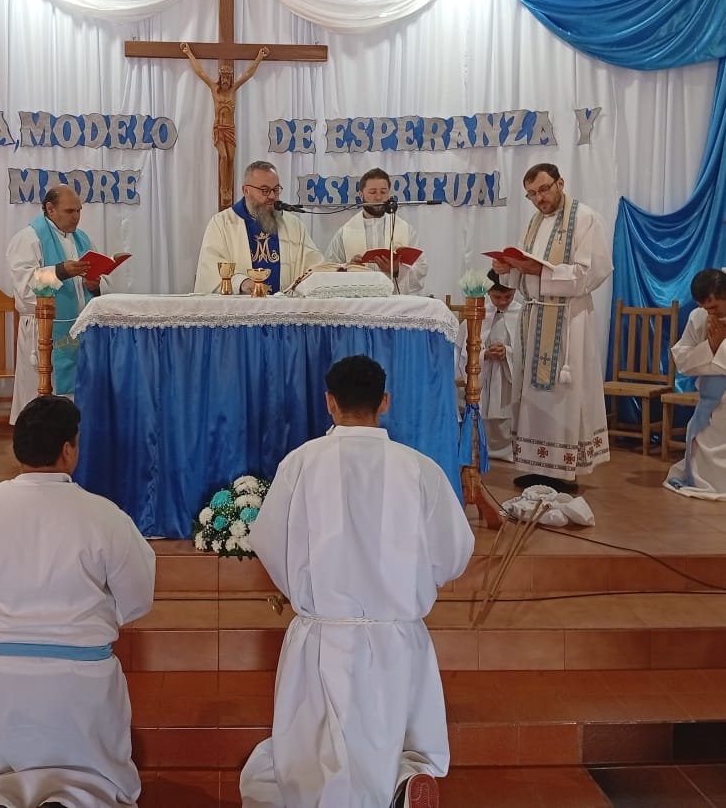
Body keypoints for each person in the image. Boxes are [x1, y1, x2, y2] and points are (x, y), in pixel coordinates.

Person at [239, 355, 474, 808]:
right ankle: (406, 782)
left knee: (315, 754)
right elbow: (454, 554)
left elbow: (269, 541)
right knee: (400, 734)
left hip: (324, 634)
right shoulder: (420, 468)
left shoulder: (302, 463)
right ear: (384, 402)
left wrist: (304, 591)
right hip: (398, 634)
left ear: (329, 402)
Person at [0, 395, 155, 808]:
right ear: (69, 450)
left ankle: (0, 798)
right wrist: (98, 620)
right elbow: (137, 598)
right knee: (95, 785)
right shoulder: (104, 516)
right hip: (81, 680)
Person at [491, 163, 612, 490]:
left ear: (560, 182)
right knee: (532, 396)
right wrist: (506, 269)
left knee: (564, 395)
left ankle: (563, 470)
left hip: (568, 320)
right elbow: (521, 277)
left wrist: (542, 271)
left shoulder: (584, 218)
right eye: (531, 194)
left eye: (544, 189)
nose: (539, 198)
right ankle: (537, 464)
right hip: (535, 316)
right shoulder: (533, 224)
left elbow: (593, 272)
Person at [7, 185, 102, 422]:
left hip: (78, 328)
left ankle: (71, 441)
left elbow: (98, 280)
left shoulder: (82, 239)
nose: (76, 217)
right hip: (44, 331)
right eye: (70, 211)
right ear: (50, 209)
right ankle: (39, 445)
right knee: (41, 400)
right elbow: (26, 286)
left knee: (76, 399)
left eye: (79, 211)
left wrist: (94, 285)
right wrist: (61, 271)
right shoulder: (28, 238)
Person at [194, 160, 323, 294]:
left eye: (276, 189)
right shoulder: (222, 224)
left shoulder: (294, 226)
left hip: (285, 311)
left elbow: (314, 268)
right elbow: (210, 273)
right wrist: (242, 283)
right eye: (265, 190)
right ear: (246, 191)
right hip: (240, 311)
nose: (272, 196)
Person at [180, 42, 270, 207]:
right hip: (219, 129)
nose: (227, 80)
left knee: (231, 158)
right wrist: (189, 53)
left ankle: (228, 186)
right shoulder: (215, 89)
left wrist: (259, 57)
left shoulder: (233, 89)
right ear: (221, 78)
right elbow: (200, 72)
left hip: (230, 129)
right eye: (225, 77)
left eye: (229, 78)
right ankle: (224, 189)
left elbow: (248, 74)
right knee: (223, 156)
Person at [663, 268, 726, 500]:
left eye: (714, 307)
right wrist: (710, 347)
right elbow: (682, 360)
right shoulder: (699, 317)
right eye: (704, 308)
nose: (709, 314)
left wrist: (719, 348)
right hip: (709, 399)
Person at [324, 167, 427, 294]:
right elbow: (328, 270)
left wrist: (397, 270)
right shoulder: (345, 233)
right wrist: (348, 269)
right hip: (358, 305)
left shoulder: (405, 229)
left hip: (395, 306)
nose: (378, 197)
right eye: (372, 192)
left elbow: (421, 268)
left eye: (383, 192)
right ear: (361, 194)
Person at [455, 270, 522, 461]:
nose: (502, 302)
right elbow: (464, 351)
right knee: (485, 409)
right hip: (486, 373)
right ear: (488, 292)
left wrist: (508, 352)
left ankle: (511, 450)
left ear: (515, 291)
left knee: (507, 410)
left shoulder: (522, 314)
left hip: (508, 375)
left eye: (507, 296)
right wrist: (483, 354)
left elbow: (529, 351)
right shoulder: (479, 312)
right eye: (497, 297)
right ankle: (483, 446)